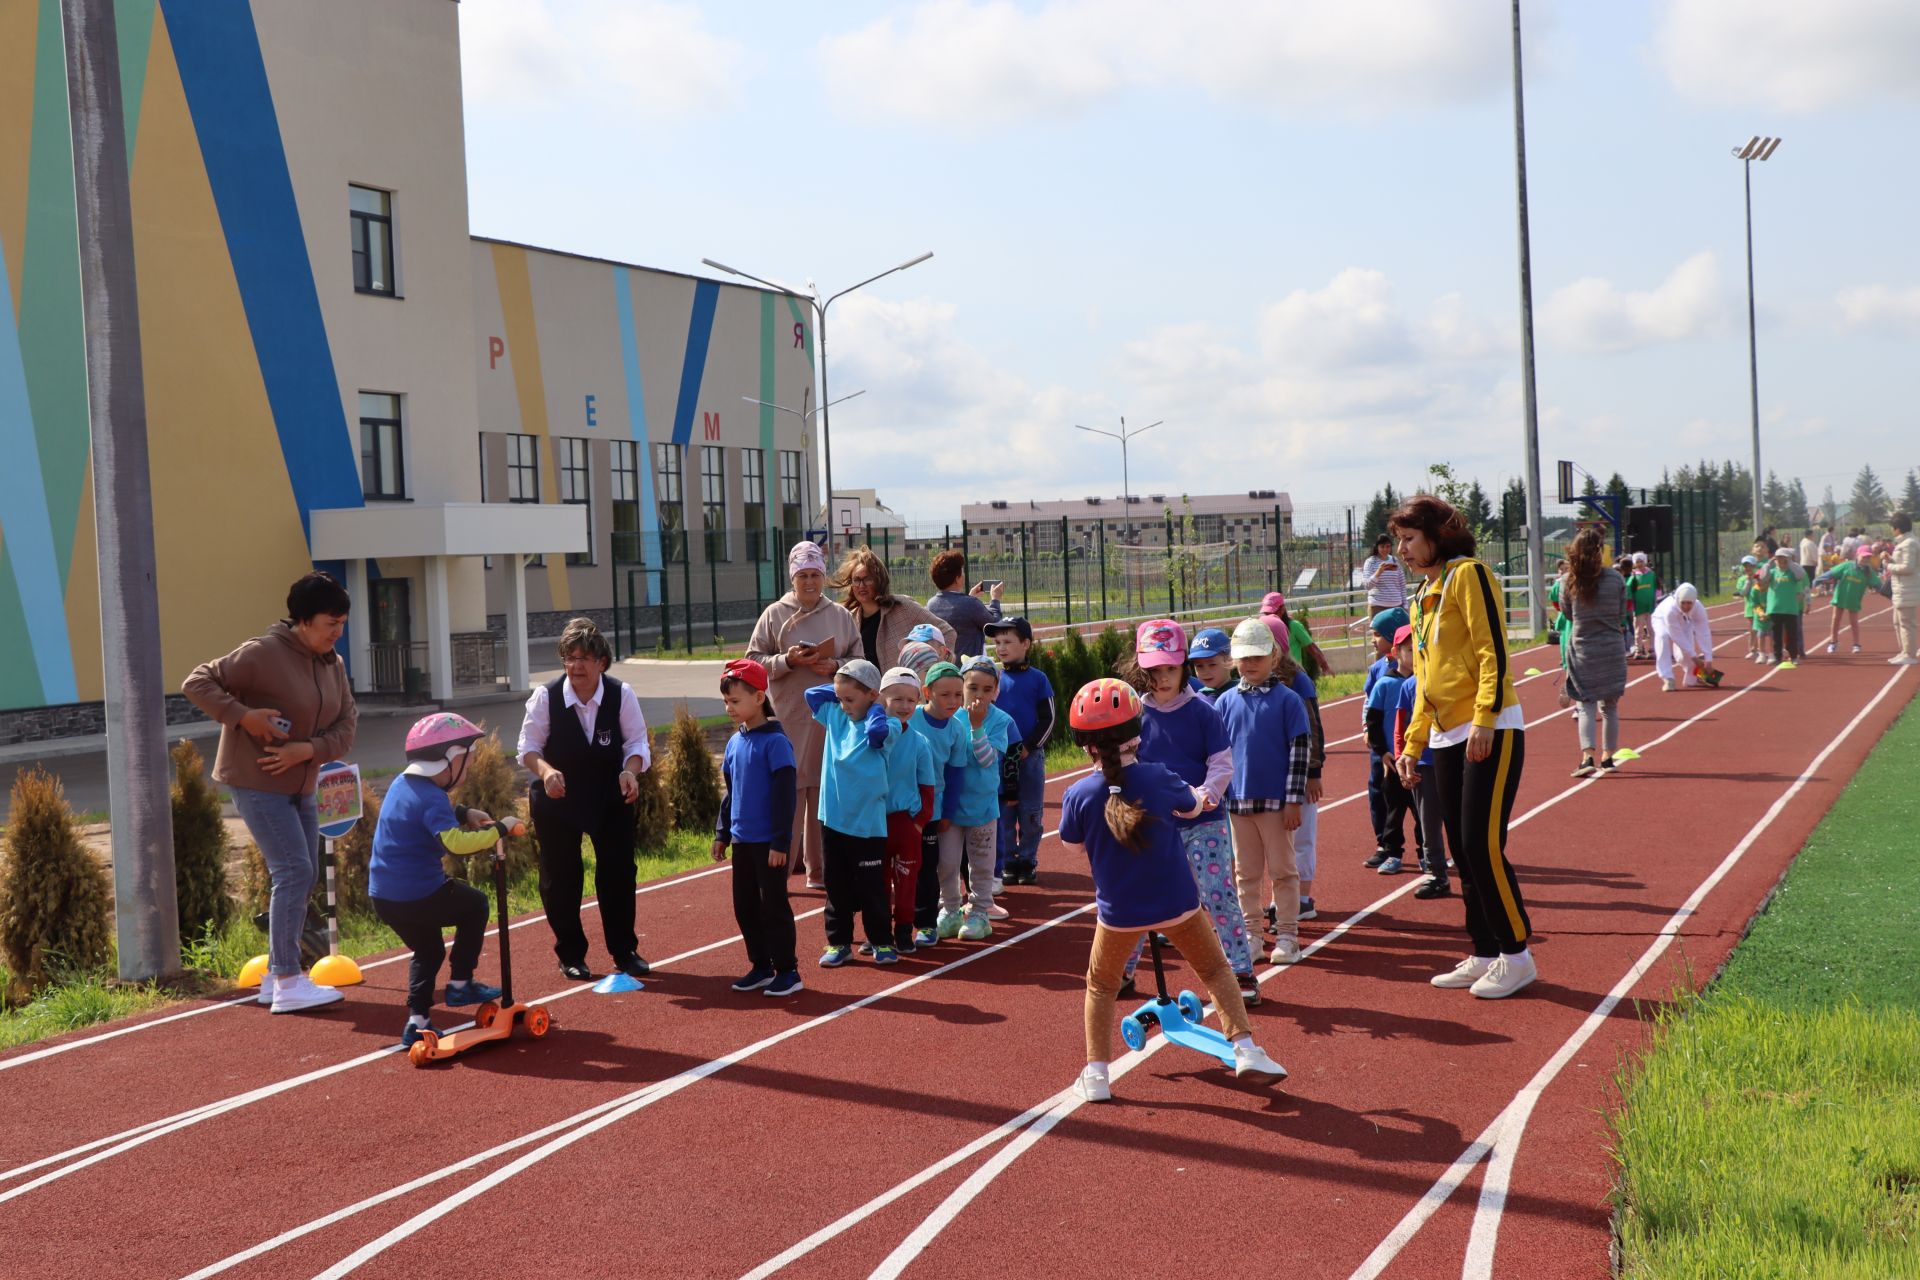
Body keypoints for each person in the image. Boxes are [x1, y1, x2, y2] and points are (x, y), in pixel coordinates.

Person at [1058, 678, 1288, 1103]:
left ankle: (1096, 1075)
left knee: (1101, 987)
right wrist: (1200, 795)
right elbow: (1194, 805)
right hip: (1178, 906)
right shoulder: (1158, 777)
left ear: (1082, 743)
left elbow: (1072, 844)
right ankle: (1245, 1048)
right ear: (1137, 732)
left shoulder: (1079, 794)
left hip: (1119, 914)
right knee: (1217, 971)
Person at [183, 571, 359, 1015]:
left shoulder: (332, 664)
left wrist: (308, 750)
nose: (338, 633)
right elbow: (198, 682)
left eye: (342, 623)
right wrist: (243, 717)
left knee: (303, 875)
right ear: (302, 620)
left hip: (302, 783)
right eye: (330, 624)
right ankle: (287, 978)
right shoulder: (262, 653)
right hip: (257, 782)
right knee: (294, 872)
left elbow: (347, 726)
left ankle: (273, 978)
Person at [1391, 494, 1537, 1000]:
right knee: (1459, 849)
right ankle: (1484, 950)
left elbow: (1491, 648)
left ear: (1437, 534)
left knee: (1481, 843)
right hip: (1442, 736)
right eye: (1399, 541)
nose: (1403, 550)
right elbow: (1427, 681)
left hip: (1488, 728)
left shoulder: (1467, 575)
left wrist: (1484, 718)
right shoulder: (1421, 597)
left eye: (1410, 539)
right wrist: (1412, 745)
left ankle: (1517, 954)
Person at [1115, 621, 1259, 1007]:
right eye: (1154, 670)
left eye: (1170, 669)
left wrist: (1208, 793)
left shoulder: (1203, 711)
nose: (1162, 678)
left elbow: (1222, 763)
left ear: (1183, 666)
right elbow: (1124, 761)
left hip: (1203, 822)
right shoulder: (1134, 714)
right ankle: (1123, 971)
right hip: (1155, 824)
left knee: (1217, 895)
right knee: (1138, 896)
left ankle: (1241, 971)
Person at [517, 618, 653, 983]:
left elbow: (637, 743)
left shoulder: (621, 693)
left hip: (610, 794)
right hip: (557, 797)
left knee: (619, 872)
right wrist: (546, 772)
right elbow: (527, 748)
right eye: (569, 657)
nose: (576, 665)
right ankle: (571, 954)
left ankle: (625, 951)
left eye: (585, 658)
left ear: (601, 663)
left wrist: (630, 771)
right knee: (561, 876)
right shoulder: (545, 697)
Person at [370, 713, 518, 1046]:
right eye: (466, 758)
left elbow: (422, 814)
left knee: (428, 949)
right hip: (418, 893)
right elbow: (455, 844)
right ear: (450, 758)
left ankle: (417, 1021)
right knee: (475, 905)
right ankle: (461, 983)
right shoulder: (432, 796)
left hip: (385, 897)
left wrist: (463, 813)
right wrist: (501, 828)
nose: (469, 766)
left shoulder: (403, 785)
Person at [747, 540, 859, 887]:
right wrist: (787, 660)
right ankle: (782, 864)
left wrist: (836, 666)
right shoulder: (774, 614)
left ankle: (819, 869)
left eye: (815, 574)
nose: (809, 582)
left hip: (829, 717)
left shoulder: (840, 615)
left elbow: (861, 661)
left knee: (823, 789)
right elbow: (752, 662)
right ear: (792, 578)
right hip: (789, 716)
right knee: (789, 790)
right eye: (803, 575)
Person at [1214, 617, 1312, 966]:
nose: (1250, 664)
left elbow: (1300, 752)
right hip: (1239, 804)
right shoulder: (1224, 703)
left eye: (1257, 656)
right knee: (1245, 873)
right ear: (1234, 659)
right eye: (1244, 657)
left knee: (1284, 871)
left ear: (1273, 656)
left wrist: (1292, 800)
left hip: (1276, 805)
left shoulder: (1288, 701)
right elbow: (1218, 755)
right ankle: (1251, 935)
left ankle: (1287, 934)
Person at [710, 659, 802, 998]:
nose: (729, 708)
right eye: (726, 702)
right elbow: (730, 793)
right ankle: (761, 965)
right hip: (742, 842)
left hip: (769, 844)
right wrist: (723, 834)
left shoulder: (776, 743)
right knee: (744, 906)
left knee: (773, 905)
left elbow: (784, 797)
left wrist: (781, 841)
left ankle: (788, 970)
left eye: (735, 701)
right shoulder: (736, 743)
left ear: (759, 697)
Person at [802, 659, 898, 966]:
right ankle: (839, 942)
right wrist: (840, 687)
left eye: (849, 699)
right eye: (840, 698)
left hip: (867, 824)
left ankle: (881, 941)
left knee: (872, 889)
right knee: (837, 887)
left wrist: (876, 709)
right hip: (834, 820)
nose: (843, 705)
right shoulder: (834, 715)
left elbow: (878, 735)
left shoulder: (886, 722)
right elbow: (811, 695)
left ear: (871, 694)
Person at [938, 655, 1013, 942]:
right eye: (972, 688)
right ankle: (950, 909)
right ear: (962, 687)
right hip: (950, 807)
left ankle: (980, 912)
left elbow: (986, 759)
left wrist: (977, 725)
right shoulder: (949, 716)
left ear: (995, 692)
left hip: (982, 808)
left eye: (986, 689)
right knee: (946, 862)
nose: (978, 695)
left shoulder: (1000, 720)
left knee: (981, 865)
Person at [1259, 614, 1327, 919]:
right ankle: (1281, 898)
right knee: (1275, 843)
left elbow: (1314, 728)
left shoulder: (1299, 681)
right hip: (1271, 775)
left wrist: (1313, 773)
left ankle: (1301, 899)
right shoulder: (1251, 684)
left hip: (1298, 774)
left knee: (1302, 836)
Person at [908, 661, 973, 948]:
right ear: (927, 692)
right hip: (902, 807)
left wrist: (947, 813)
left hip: (933, 810)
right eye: (945, 695)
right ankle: (889, 927)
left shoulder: (958, 729)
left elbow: (955, 774)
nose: (953, 701)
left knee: (929, 865)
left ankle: (927, 922)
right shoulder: (910, 719)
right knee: (898, 867)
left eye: (958, 695)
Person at [986, 616, 1054, 886]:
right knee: (1003, 811)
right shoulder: (992, 678)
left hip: (1030, 759)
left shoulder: (1038, 679)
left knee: (1030, 812)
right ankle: (1008, 861)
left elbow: (1048, 719)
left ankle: (1027, 860)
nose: (1001, 648)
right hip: (999, 758)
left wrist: (1029, 747)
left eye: (1008, 642)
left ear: (1025, 644)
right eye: (997, 642)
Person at [1561, 527, 1631, 775]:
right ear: (1600, 551)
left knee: (1585, 705)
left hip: (1583, 649)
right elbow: (1622, 616)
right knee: (1610, 707)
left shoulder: (1568, 580)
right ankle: (1609, 758)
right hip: (1611, 647)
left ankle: (1587, 758)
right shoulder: (1616, 579)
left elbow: (1567, 613)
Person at [877, 666, 936, 955]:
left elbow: (927, 787)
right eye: (896, 699)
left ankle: (903, 931)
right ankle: (878, 932)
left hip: (906, 824)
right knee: (876, 883)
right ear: (881, 699)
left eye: (911, 700)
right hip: (873, 823)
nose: (904, 706)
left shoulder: (920, 742)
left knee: (906, 882)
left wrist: (918, 823)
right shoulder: (871, 738)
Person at [1391, 626, 1449, 899]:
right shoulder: (1408, 687)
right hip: (1423, 763)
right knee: (1428, 822)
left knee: (1462, 817)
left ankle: (1471, 867)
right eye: (1412, 650)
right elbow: (1401, 727)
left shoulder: (1450, 681)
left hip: (1452, 759)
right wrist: (1403, 757)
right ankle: (1437, 873)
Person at [834, 545, 956, 671]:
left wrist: (938, 667)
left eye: (867, 579)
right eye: (856, 580)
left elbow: (947, 632)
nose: (861, 585)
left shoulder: (902, 606)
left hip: (905, 687)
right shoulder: (850, 619)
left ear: (879, 580)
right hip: (867, 690)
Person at [1362, 607, 1412, 869]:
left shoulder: (1416, 671)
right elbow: (1369, 703)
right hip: (1382, 747)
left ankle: (1428, 849)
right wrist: (1367, 731)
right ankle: (1384, 844)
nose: (1373, 640)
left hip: (1410, 748)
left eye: (1377, 635)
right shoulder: (1377, 670)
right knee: (1379, 793)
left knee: (1416, 801)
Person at [925, 549, 1003, 658]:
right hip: (969, 670)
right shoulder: (970, 604)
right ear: (957, 578)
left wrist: (969, 598)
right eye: (962, 572)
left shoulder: (930, 605)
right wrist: (995, 600)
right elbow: (995, 626)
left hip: (943, 669)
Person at [1821, 546, 1880, 655]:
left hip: (1854, 598)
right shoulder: (1847, 566)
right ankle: (1833, 642)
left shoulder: (1868, 571)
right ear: (1857, 555)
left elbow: (1877, 584)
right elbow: (1831, 573)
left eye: (1868, 557)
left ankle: (1856, 644)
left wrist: (1888, 592)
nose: (1866, 559)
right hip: (1840, 596)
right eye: (1864, 556)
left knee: (1854, 622)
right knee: (1836, 619)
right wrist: (1818, 579)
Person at [1259, 591, 1326, 676]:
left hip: (1292, 674)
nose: (1269, 616)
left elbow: (1311, 647)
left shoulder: (1294, 626)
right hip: (1272, 674)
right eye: (1266, 613)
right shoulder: (1262, 628)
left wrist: (1324, 666)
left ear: (1282, 610)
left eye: (1272, 612)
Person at [1762, 547, 1806, 665]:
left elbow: (1801, 575)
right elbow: (1762, 578)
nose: (1781, 563)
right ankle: (1777, 657)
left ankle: (1793, 656)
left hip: (1790, 609)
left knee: (1792, 635)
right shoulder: (1772, 572)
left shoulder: (1792, 573)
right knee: (1776, 636)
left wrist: (1790, 563)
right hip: (1775, 609)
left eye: (1784, 560)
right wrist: (1768, 564)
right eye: (1779, 560)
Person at [1889, 513, 1919, 665]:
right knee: (1898, 621)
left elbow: (1908, 567)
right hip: (1901, 588)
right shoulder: (1904, 543)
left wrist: (1889, 566)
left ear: (1897, 529)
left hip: (1907, 588)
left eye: (1892, 528)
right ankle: (1904, 651)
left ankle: (1910, 654)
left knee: (1907, 622)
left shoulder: (1909, 543)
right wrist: (1890, 560)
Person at [1625, 552, 1659, 660]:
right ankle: (1638, 650)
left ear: (1645, 562)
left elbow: (1657, 588)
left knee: (1652, 629)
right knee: (1638, 630)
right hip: (1638, 607)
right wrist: (1629, 603)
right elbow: (1628, 589)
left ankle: (1653, 649)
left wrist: (1657, 600)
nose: (1639, 564)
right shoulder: (1634, 576)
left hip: (1651, 607)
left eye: (1641, 561)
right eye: (1637, 562)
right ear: (1634, 564)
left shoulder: (1652, 575)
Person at [1362, 534, 1406, 611]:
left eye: (1388, 546)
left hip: (1397, 606)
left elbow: (1402, 584)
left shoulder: (1395, 561)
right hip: (1377, 606)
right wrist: (1378, 572)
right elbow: (1367, 586)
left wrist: (1405, 605)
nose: (1385, 549)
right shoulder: (1370, 562)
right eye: (1382, 547)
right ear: (1377, 547)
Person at [1189, 627, 1235, 699]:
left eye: (1212, 664)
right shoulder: (1197, 700)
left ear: (1228, 660)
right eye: (1199, 666)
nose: (1205, 671)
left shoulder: (1243, 694)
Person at [1736, 555, 1767, 661]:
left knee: (1762, 629)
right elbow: (1743, 593)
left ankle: (1761, 649)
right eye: (1745, 566)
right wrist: (1748, 581)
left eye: (1750, 566)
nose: (1748, 568)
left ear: (1754, 566)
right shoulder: (1742, 579)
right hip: (1750, 608)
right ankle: (1752, 649)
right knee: (1753, 629)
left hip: (1761, 607)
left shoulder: (1759, 577)